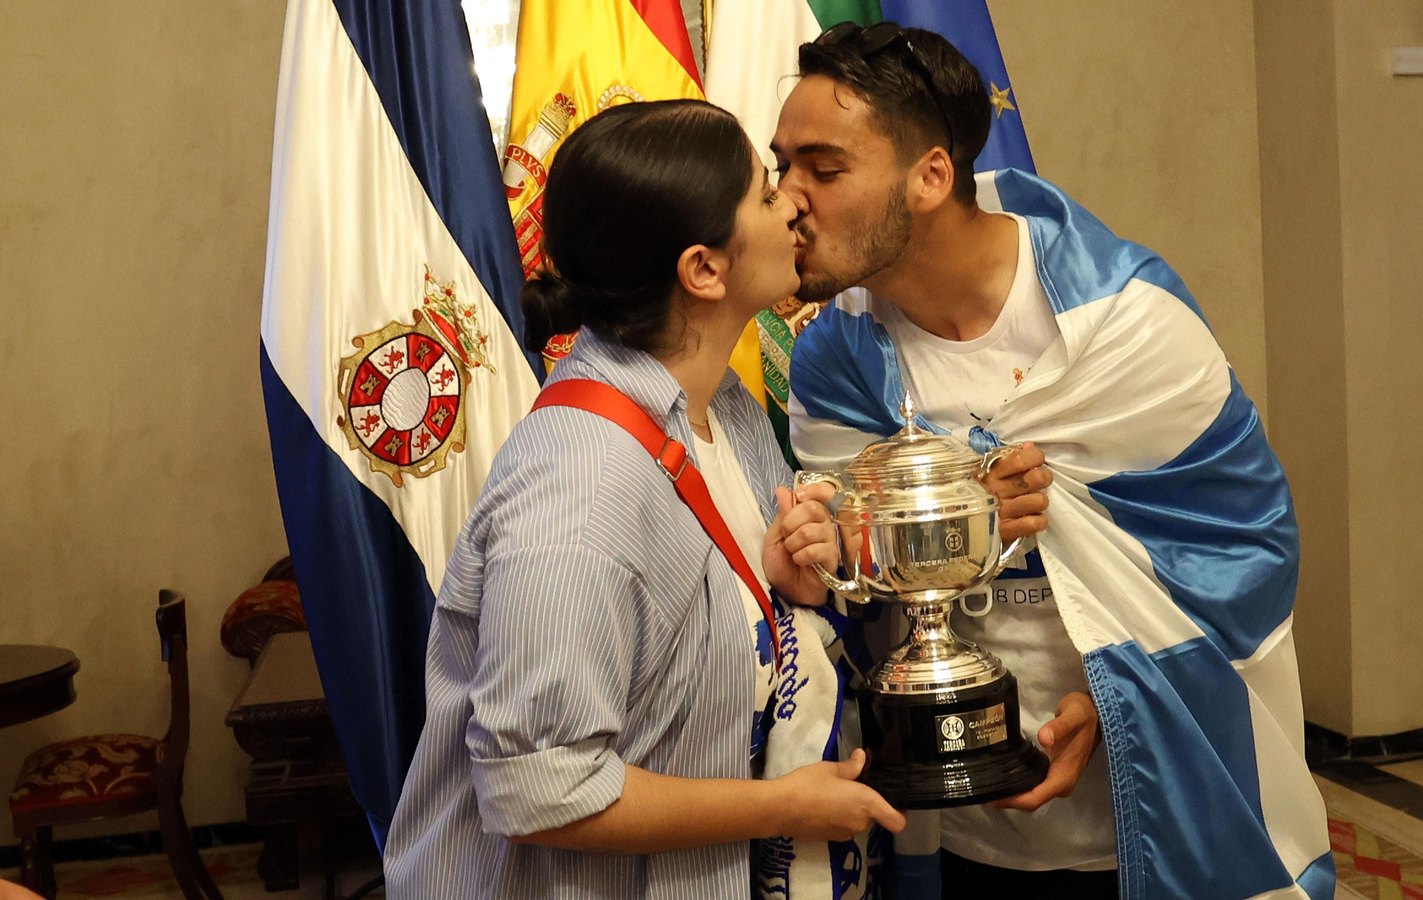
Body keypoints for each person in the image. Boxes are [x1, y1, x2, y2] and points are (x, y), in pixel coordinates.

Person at [774, 22, 1331, 900]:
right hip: (942, 821)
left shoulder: (1127, 324)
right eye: (782, 168)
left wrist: (1113, 712)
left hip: (1139, 807)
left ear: (931, 176)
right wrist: (852, 542)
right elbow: (849, 579)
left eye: (824, 169)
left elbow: (1247, 550)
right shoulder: (835, 359)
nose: (787, 200)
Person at [383, 99, 905, 900]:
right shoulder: (580, 488)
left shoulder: (722, 406)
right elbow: (539, 791)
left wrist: (779, 584)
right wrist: (781, 807)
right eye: (767, 194)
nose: (795, 204)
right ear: (703, 269)